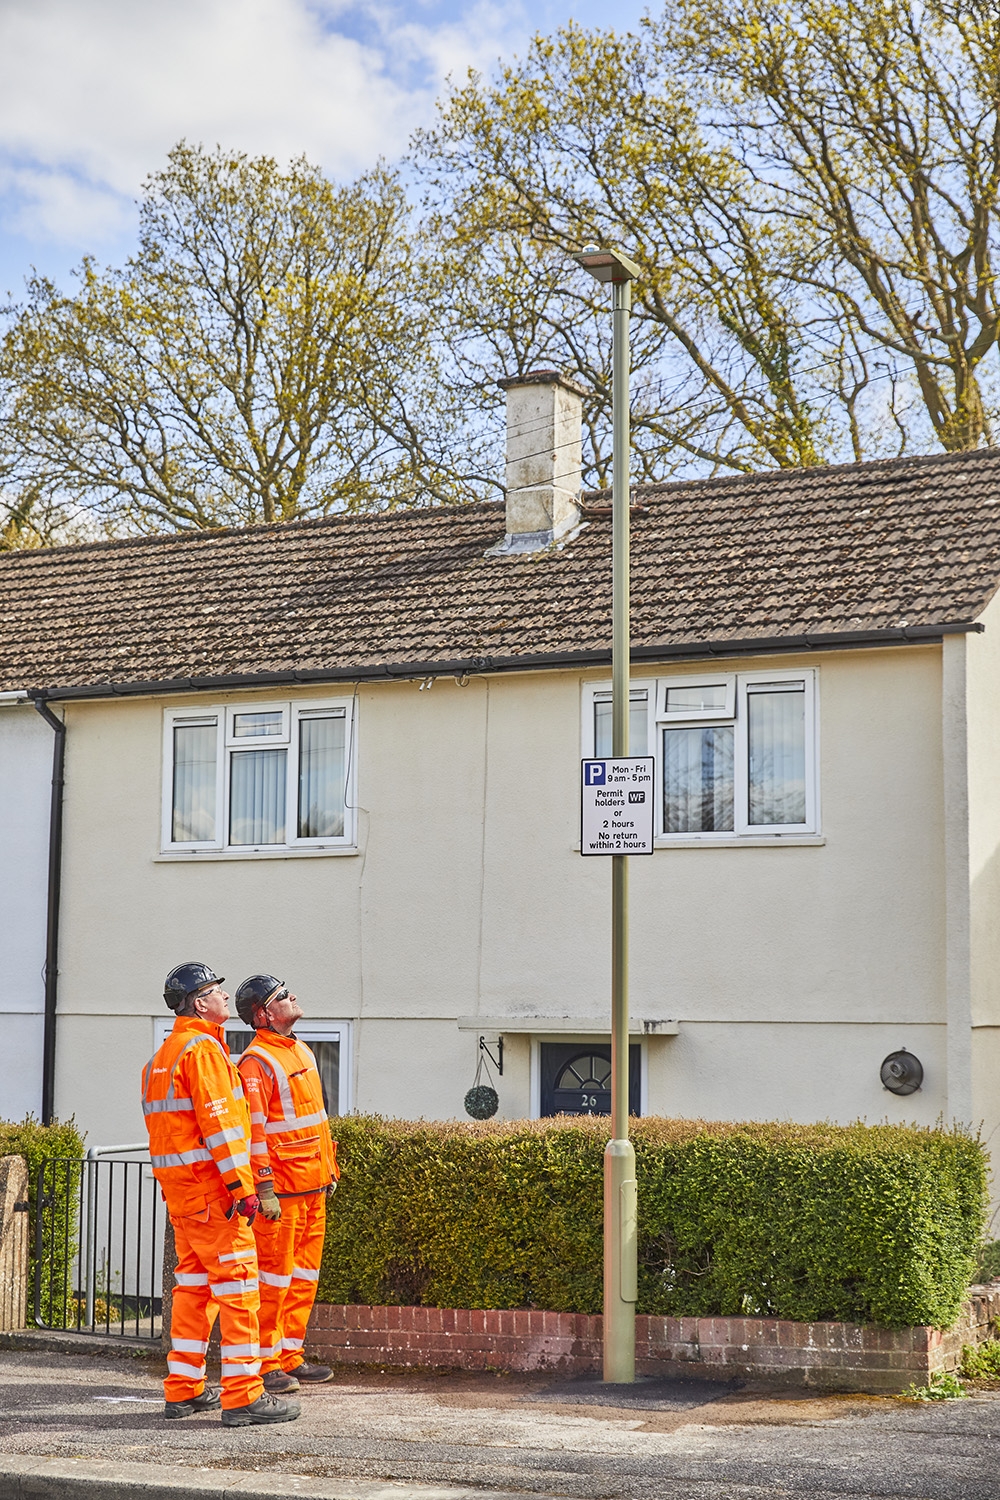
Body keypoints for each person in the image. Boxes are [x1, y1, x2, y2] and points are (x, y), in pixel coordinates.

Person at [142, 962, 301, 1427]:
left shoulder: (162, 1058)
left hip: (183, 1196)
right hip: (215, 1196)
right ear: (198, 1003)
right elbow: (222, 1130)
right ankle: (244, 1396)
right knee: (240, 1290)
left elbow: (167, 1132)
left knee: (193, 1288)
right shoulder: (204, 1051)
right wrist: (243, 1189)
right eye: (216, 991)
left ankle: (184, 1389)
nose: (224, 997)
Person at [234, 974, 339, 1393]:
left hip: (313, 1184)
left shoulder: (301, 1050)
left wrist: (329, 1171)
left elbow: (318, 1122)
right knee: (273, 1281)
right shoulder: (255, 1063)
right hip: (284, 1192)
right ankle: (265, 1363)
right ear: (263, 1014)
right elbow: (254, 1133)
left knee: (302, 1279)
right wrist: (264, 1190)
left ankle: (290, 1356)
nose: (292, 997)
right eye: (282, 996)